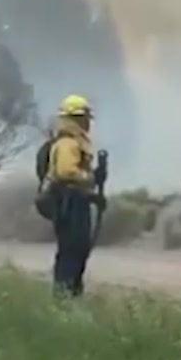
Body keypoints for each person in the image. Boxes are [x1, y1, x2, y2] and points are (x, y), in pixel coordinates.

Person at [43, 94, 107, 298]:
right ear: (77, 119)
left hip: (73, 202)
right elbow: (66, 172)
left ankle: (70, 294)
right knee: (73, 250)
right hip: (70, 205)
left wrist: (93, 186)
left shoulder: (72, 142)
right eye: (85, 118)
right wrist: (90, 178)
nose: (88, 123)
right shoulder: (68, 144)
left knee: (77, 250)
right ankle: (65, 295)